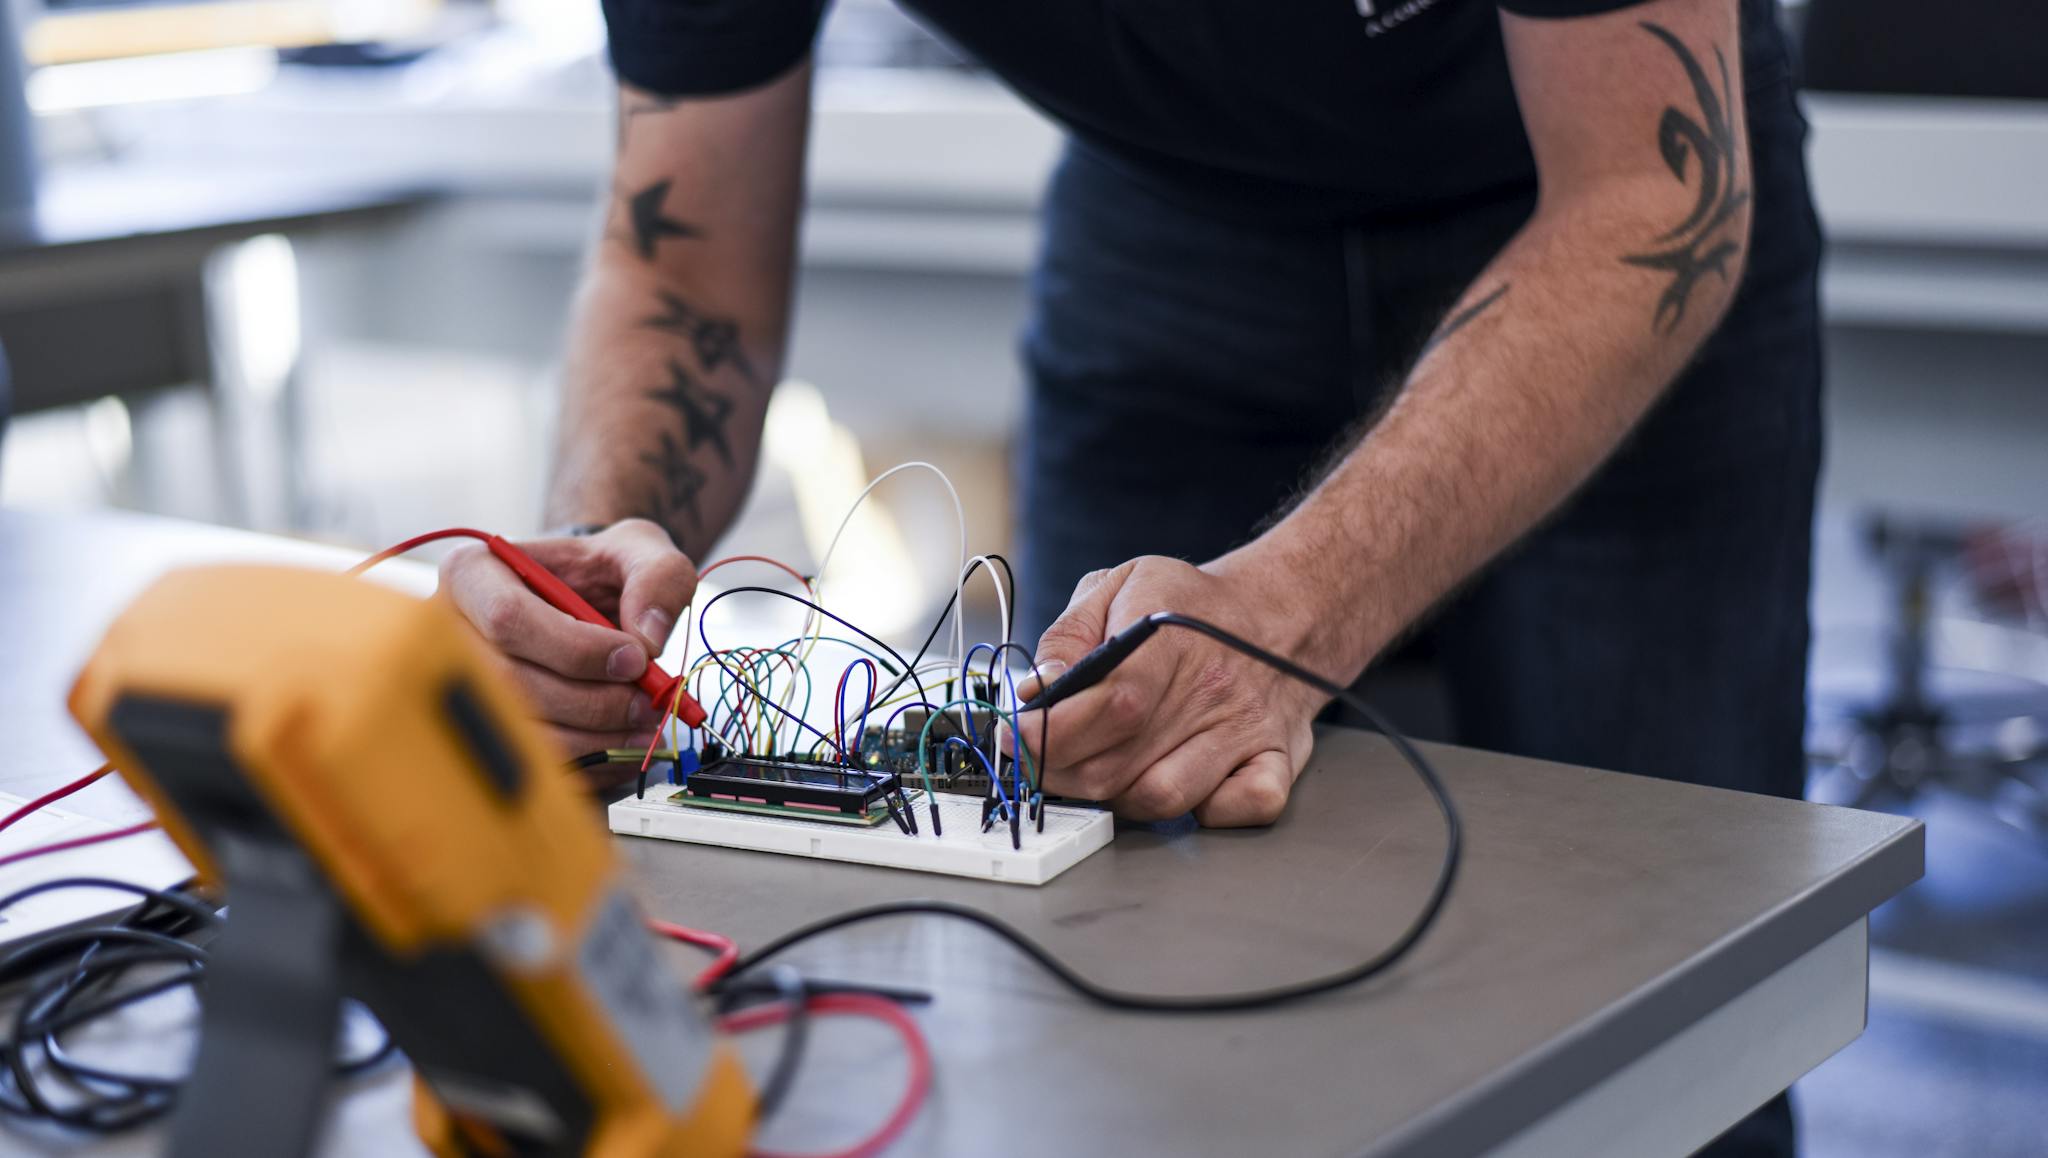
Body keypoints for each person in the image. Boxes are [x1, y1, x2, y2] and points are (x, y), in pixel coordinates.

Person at [441, 3, 1818, 1152]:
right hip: (1174, 212)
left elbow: (1651, 188)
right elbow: (684, 274)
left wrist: (1290, 612)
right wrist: (596, 558)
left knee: (1676, 1004)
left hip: (1605, 196)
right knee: (1104, 985)